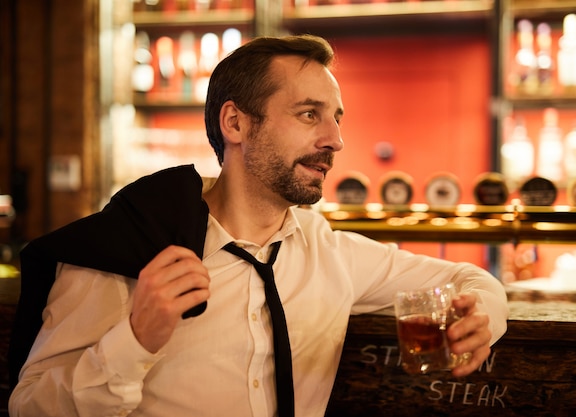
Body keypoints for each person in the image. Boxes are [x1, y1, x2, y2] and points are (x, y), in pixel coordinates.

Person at [9, 34, 508, 417]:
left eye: (336, 118)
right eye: (309, 114)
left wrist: (480, 315)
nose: (335, 139)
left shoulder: (331, 253)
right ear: (236, 124)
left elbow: (473, 280)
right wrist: (135, 339)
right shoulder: (133, 249)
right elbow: (28, 406)